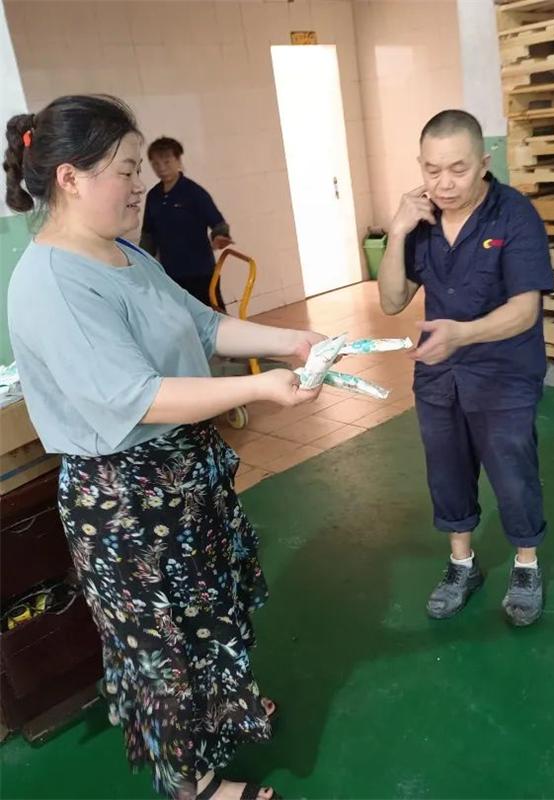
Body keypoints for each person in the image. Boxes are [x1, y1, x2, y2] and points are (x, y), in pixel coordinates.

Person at [4, 94, 327, 800]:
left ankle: (226, 717)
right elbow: (136, 398)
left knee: (209, 613)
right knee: (161, 651)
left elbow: (203, 327)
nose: (139, 184)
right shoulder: (52, 284)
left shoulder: (121, 253)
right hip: (126, 501)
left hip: (180, 475)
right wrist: (259, 387)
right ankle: (193, 785)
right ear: (70, 177)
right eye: (126, 169)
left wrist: (291, 342)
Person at [378, 109, 554, 626]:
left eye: (458, 169)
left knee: (513, 471)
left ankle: (526, 565)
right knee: (447, 470)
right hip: (440, 375)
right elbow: (391, 301)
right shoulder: (421, 220)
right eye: (432, 170)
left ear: (484, 161)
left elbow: (524, 311)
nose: (444, 183)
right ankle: (462, 563)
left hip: (504, 373)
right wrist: (396, 232)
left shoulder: (514, 215)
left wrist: (461, 334)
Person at [140, 136, 231, 308]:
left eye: (167, 162)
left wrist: (220, 236)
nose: (162, 168)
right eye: (156, 164)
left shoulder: (194, 192)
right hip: (170, 272)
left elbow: (218, 223)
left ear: (178, 161)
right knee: (182, 316)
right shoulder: (153, 196)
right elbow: (148, 233)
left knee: (213, 315)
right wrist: (142, 261)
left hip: (200, 271)